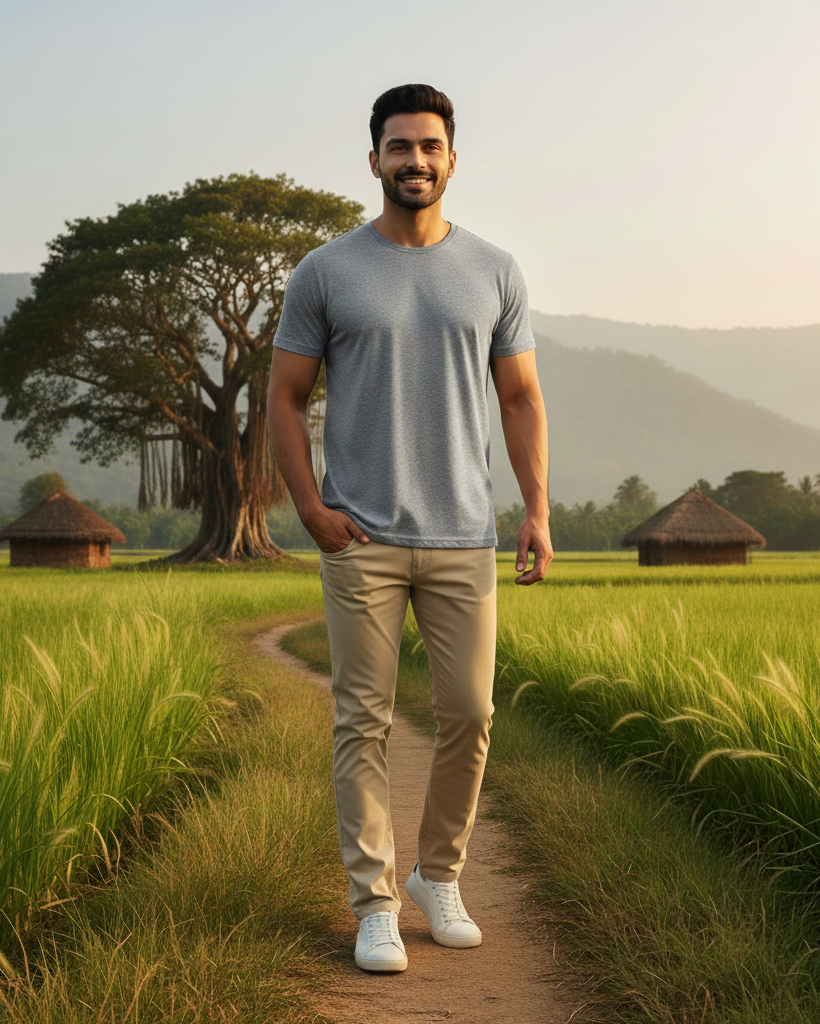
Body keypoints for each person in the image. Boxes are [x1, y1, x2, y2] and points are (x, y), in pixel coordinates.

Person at [267, 83, 552, 973]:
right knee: (365, 721)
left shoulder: (496, 270)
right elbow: (283, 393)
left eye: (430, 147)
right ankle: (376, 904)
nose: (415, 161)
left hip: (464, 533)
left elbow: (521, 395)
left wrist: (536, 508)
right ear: (375, 160)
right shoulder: (326, 271)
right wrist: (311, 509)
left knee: (470, 713)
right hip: (363, 539)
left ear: (452, 159)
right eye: (400, 147)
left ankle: (440, 876)